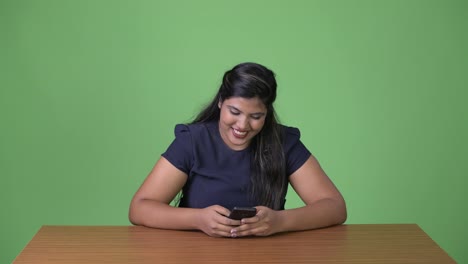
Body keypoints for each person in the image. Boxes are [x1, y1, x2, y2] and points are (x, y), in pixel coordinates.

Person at [129, 62, 347, 238]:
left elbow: (335, 207)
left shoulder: (284, 143)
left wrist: (280, 221)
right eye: (235, 111)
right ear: (220, 103)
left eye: (256, 117)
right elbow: (139, 208)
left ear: (267, 114)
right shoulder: (193, 141)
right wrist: (197, 219)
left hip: (268, 255)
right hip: (196, 255)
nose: (242, 126)